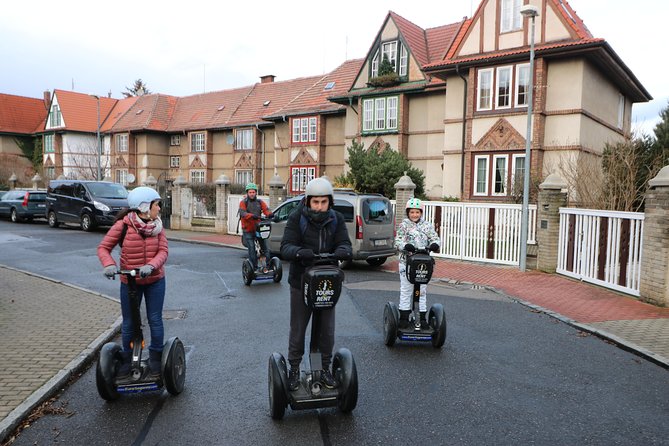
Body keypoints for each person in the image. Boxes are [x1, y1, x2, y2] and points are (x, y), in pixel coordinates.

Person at [280, 177, 352, 391]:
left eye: (323, 202)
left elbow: (345, 244)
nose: (320, 207)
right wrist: (300, 252)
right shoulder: (296, 218)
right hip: (301, 281)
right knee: (299, 329)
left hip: (327, 282)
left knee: (325, 331)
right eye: (315, 202)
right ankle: (294, 370)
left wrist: (343, 251)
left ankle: (322, 369)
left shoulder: (336, 219)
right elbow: (285, 247)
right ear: (308, 201)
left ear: (329, 201)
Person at [97, 186, 169, 380]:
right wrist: (109, 264)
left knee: (155, 319)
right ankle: (127, 360)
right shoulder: (123, 225)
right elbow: (104, 248)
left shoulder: (158, 227)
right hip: (129, 282)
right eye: (156, 204)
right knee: (129, 323)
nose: (159, 208)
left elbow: (163, 252)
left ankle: (155, 357)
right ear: (145, 206)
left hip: (154, 280)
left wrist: (151, 266)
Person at [394, 197, 440, 329]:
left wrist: (435, 244)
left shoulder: (427, 225)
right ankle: (404, 317)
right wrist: (405, 245)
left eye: (417, 212)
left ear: (421, 213)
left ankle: (422, 318)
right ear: (408, 212)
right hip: (406, 262)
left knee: (422, 290)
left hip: (423, 262)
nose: (414, 215)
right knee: (407, 289)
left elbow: (435, 238)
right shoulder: (404, 225)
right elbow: (397, 241)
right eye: (412, 212)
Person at [239, 182, 273, 271]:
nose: (252, 194)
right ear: (247, 193)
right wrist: (251, 215)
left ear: (256, 193)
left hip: (258, 229)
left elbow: (266, 209)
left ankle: (269, 267)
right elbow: (243, 213)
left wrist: (270, 215)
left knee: (265, 248)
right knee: (252, 248)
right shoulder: (243, 203)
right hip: (248, 229)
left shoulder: (259, 202)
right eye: (250, 192)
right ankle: (254, 267)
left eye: (253, 192)